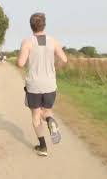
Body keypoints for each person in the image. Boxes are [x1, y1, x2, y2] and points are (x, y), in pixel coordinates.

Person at [17, 13, 68, 156]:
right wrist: (53, 69)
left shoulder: (27, 42)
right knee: (46, 113)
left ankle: (43, 147)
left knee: (35, 116)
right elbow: (64, 60)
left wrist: (19, 60)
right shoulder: (53, 41)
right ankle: (50, 120)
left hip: (34, 85)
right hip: (50, 85)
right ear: (44, 25)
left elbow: (20, 64)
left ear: (31, 26)